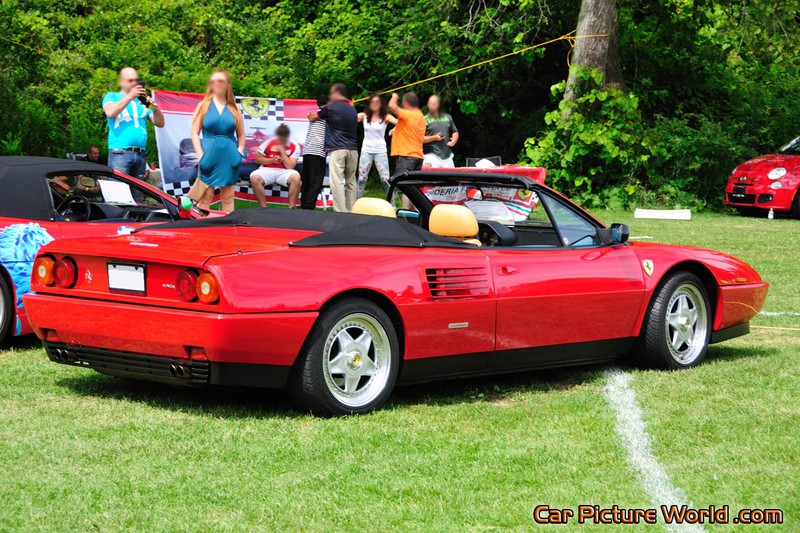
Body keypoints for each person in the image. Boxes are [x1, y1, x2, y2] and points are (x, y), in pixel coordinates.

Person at [189, 69, 246, 213]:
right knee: (206, 196)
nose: (216, 83)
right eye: (213, 80)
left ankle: (228, 229)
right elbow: (194, 133)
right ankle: (203, 228)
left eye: (220, 80)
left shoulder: (234, 108)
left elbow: (241, 134)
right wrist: (200, 155)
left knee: (227, 197)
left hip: (230, 156)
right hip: (208, 154)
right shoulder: (203, 106)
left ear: (227, 84)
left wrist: (239, 152)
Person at [102, 67, 165, 180]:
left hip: (140, 153)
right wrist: (130, 96)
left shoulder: (142, 102)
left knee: (138, 194)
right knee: (118, 192)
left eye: (136, 80)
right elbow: (110, 112)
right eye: (130, 81)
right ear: (122, 81)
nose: (134, 83)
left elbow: (160, 123)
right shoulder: (112, 96)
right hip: (120, 152)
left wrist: (154, 107)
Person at [310, 83, 358, 212]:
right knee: (351, 181)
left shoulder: (331, 107)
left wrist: (311, 115)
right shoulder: (352, 109)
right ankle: (351, 210)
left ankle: (340, 211)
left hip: (337, 150)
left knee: (337, 181)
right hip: (353, 149)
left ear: (337, 93)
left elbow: (313, 117)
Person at [250, 124, 302, 208]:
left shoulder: (295, 146)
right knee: (254, 177)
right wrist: (272, 160)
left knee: (296, 178)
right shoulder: (268, 143)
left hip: (285, 171)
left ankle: (292, 208)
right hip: (266, 170)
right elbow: (258, 159)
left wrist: (282, 152)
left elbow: (290, 166)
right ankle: (263, 208)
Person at [356, 94, 396, 198]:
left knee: (385, 180)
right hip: (366, 151)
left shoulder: (386, 117)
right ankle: (356, 203)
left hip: (380, 152)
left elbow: (401, 123)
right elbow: (348, 119)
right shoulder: (364, 116)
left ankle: (392, 206)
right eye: (372, 102)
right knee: (361, 179)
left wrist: (394, 129)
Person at [300, 94, 329, 210]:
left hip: (307, 150)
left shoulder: (318, 113)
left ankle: (304, 204)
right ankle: (309, 206)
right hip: (317, 150)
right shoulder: (327, 112)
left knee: (307, 180)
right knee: (316, 180)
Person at [388, 92, 426, 174]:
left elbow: (392, 106)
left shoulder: (408, 114)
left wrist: (395, 96)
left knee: (401, 185)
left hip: (406, 156)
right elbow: (410, 130)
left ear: (406, 103)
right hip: (418, 157)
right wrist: (396, 129)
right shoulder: (421, 117)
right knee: (413, 185)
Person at [423, 95, 459, 168]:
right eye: (429, 103)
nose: (431, 106)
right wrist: (434, 137)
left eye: (433, 104)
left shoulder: (448, 117)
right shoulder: (424, 119)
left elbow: (455, 132)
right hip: (431, 156)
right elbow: (419, 139)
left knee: (452, 178)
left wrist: (454, 140)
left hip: (447, 156)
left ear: (438, 105)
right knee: (432, 179)